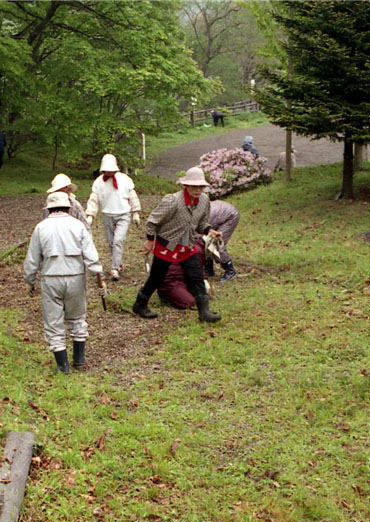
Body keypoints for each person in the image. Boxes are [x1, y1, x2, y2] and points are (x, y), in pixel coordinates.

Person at [24, 191, 106, 374]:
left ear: (49, 208)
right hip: (76, 277)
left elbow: (32, 260)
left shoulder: (40, 228)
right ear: (68, 207)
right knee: (77, 318)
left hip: (50, 278)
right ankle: (79, 360)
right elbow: (91, 257)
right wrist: (99, 281)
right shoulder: (78, 226)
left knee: (54, 323)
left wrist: (30, 281)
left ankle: (63, 368)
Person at [132, 167, 222, 323]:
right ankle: (140, 304)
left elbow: (201, 223)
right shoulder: (172, 201)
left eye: (200, 186)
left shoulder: (204, 201)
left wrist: (209, 230)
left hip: (187, 245)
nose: (198, 190)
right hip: (167, 245)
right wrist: (149, 240)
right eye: (194, 186)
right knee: (157, 276)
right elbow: (152, 222)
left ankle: (204, 312)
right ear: (185, 186)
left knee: (196, 275)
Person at [85, 153, 141, 281]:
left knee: (118, 240)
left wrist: (136, 212)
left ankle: (115, 268)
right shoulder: (99, 182)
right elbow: (94, 200)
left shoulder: (124, 179)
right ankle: (118, 263)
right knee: (111, 242)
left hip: (123, 214)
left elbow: (132, 196)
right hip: (107, 215)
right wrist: (90, 215)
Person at [157, 237, 208, 308]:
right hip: (171, 280)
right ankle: (166, 295)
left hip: (182, 277)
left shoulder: (195, 246)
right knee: (190, 302)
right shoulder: (196, 250)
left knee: (200, 294)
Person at [205, 200, 240, 282]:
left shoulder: (198, 218)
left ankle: (230, 270)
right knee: (205, 242)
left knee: (216, 243)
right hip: (217, 216)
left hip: (229, 216)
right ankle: (208, 269)